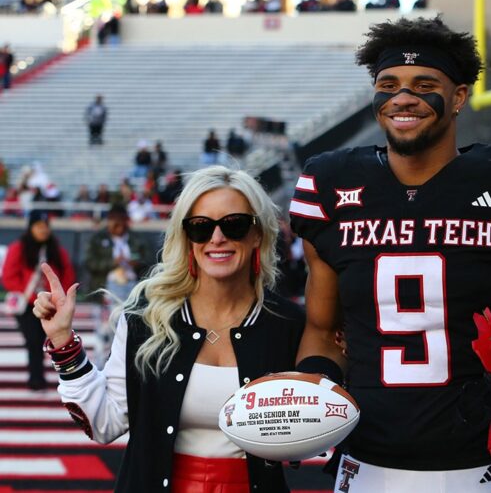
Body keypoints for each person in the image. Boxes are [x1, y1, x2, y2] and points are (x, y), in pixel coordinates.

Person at [288, 16, 491, 492]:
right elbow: (320, 329)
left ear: (459, 97)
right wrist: (311, 392)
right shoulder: (331, 184)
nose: (403, 98)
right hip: (364, 460)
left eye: (424, 85)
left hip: (471, 463)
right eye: (388, 84)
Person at [33, 166, 304, 492]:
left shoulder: (288, 323)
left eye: (234, 225)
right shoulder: (145, 319)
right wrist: (63, 341)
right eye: (200, 227)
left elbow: (311, 431)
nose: (217, 238)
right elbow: (104, 424)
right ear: (186, 238)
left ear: (258, 233)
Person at [1, 210, 75, 390]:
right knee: (33, 341)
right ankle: (36, 379)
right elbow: (9, 276)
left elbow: (67, 273)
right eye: (39, 226)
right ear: (31, 227)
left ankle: (59, 378)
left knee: (49, 341)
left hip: (52, 304)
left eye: (45, 226)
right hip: (27, 305)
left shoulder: (56, 249)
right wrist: (32, 297)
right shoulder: (18, 248)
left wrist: (61, 297)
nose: (43, 230)